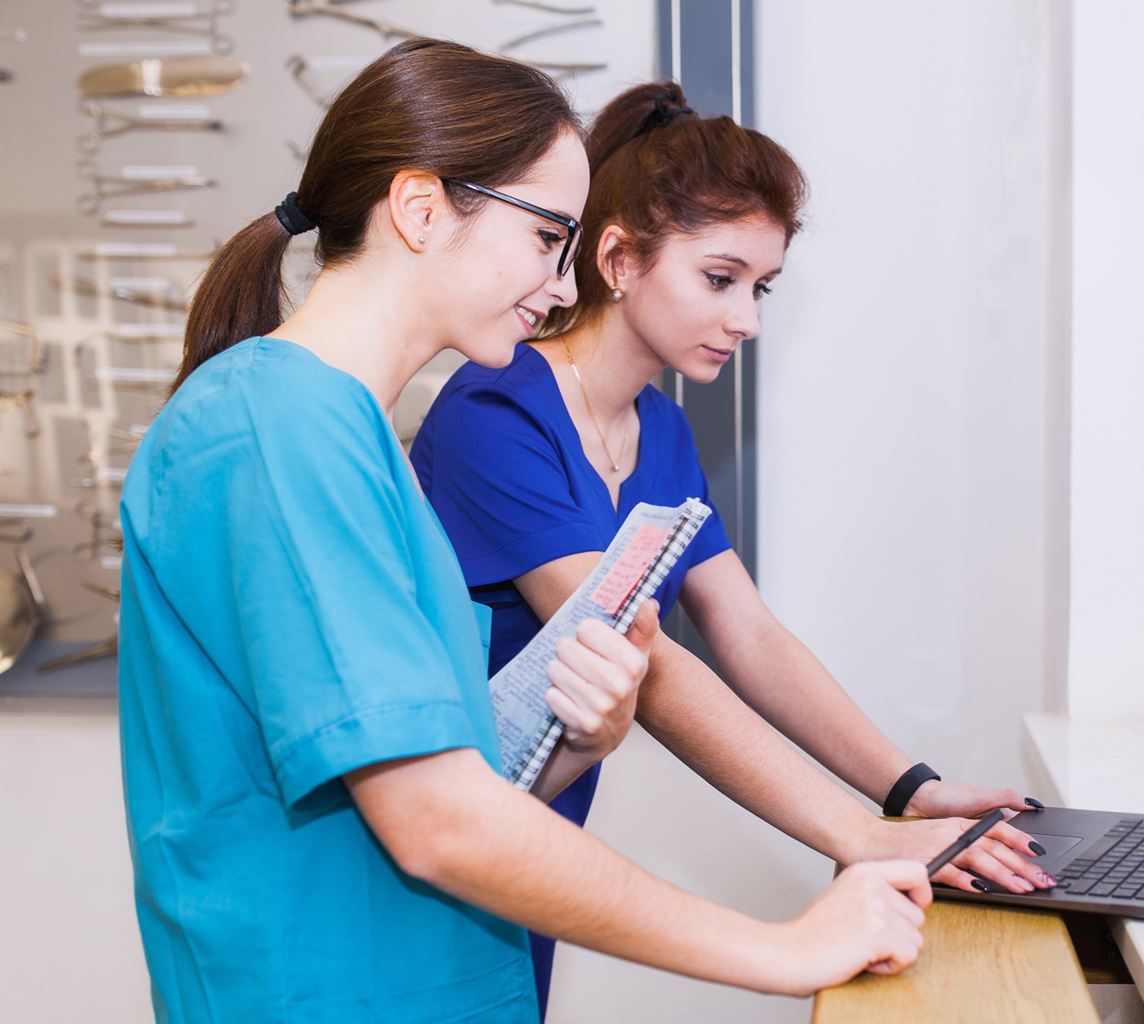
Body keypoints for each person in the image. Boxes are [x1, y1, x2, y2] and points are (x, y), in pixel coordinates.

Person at [117, 40, 934, 1024]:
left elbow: (460, 774)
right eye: (549, 237)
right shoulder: (278, 429)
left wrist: (581, 738)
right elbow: (436, 824)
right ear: (420, 210)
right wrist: (783, 948)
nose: (562, 281)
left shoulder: (355, 440)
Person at [409, 81, 1056, 1015]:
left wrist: (909, 791)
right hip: (443, 844)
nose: (748, 319)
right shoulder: (495, 413)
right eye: (720, 279)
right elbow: (649, 663)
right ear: (620, 257)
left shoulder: (663, 434)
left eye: (761, 287)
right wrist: (857, 836)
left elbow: (747, 632)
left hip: (536, 837)